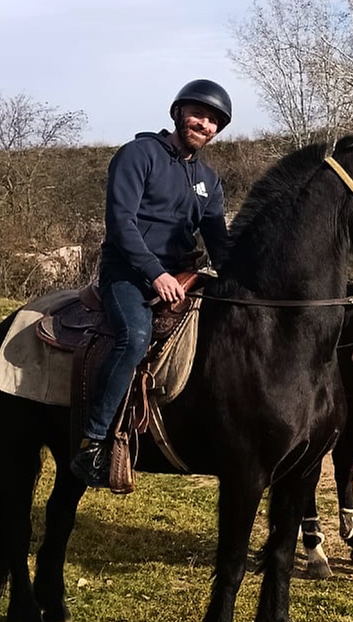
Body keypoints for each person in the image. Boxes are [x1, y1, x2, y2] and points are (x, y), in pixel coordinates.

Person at [70, 79, 234, 488]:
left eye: (214, 121)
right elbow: (121, 224)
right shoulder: (138, 155)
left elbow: (219, 244)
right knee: (135, 336)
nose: (205, 125)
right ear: (178, 112)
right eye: (199, 114)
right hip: (127, 273)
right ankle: (92, 442)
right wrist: (155, 274)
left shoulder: (209, 181)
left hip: (182, 276)